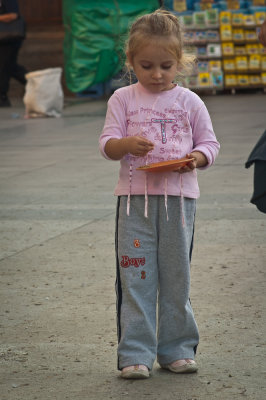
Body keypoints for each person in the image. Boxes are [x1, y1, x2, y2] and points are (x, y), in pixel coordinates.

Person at [99, 9, 220, 379]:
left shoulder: (190, 102)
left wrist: (196, 159)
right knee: (136, 278)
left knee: (176, 277)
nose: (156, 74)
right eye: (146, 65)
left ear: (180, 61)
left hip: (179, 204)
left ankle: (177, 349)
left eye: (166, 66)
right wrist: (124, 144)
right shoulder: (122, 98)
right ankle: (135, 353)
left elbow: (210, 144)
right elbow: (107, 144)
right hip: (134, 203)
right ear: (131, 60)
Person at [0, 0, 27, 107]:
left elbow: (13, 15)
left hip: (9, 39)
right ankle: (35, 84)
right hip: (2, 40)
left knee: (4, 67)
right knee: (11, 67)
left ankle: (2, 96)